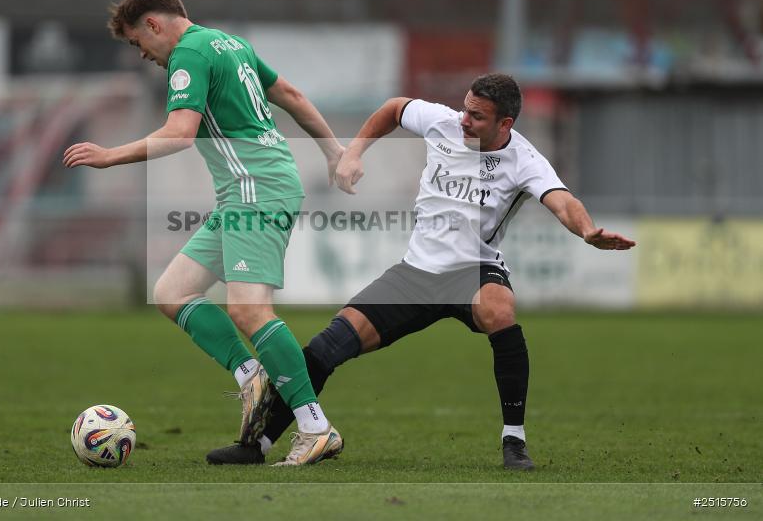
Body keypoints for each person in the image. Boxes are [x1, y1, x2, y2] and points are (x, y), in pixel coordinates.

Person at [206, 73, 636, 469]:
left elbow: (561, 199)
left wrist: (586, 231)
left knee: (500, 310)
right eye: (465, 108)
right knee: (324, 349)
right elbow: (394, 108)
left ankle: (514, 440)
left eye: (477, 116)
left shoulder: (524, 159)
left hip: (475, 270)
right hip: (415, 274)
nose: (464, 120)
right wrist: (352, 153)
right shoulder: (443, 122)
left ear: (505, 124)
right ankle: (258, 446)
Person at [63, 0, 345, 466]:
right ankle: (250, 377)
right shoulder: (230, 42)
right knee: (172, 292)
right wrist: (334, 150)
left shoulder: (188, 55)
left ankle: (315, 427)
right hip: (249, 190)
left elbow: (178, 134)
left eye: (138, 42)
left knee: (250, 311)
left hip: (257, 190)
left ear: (153, 23)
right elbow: (292, 95)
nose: (144, 55)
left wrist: (110, 157)